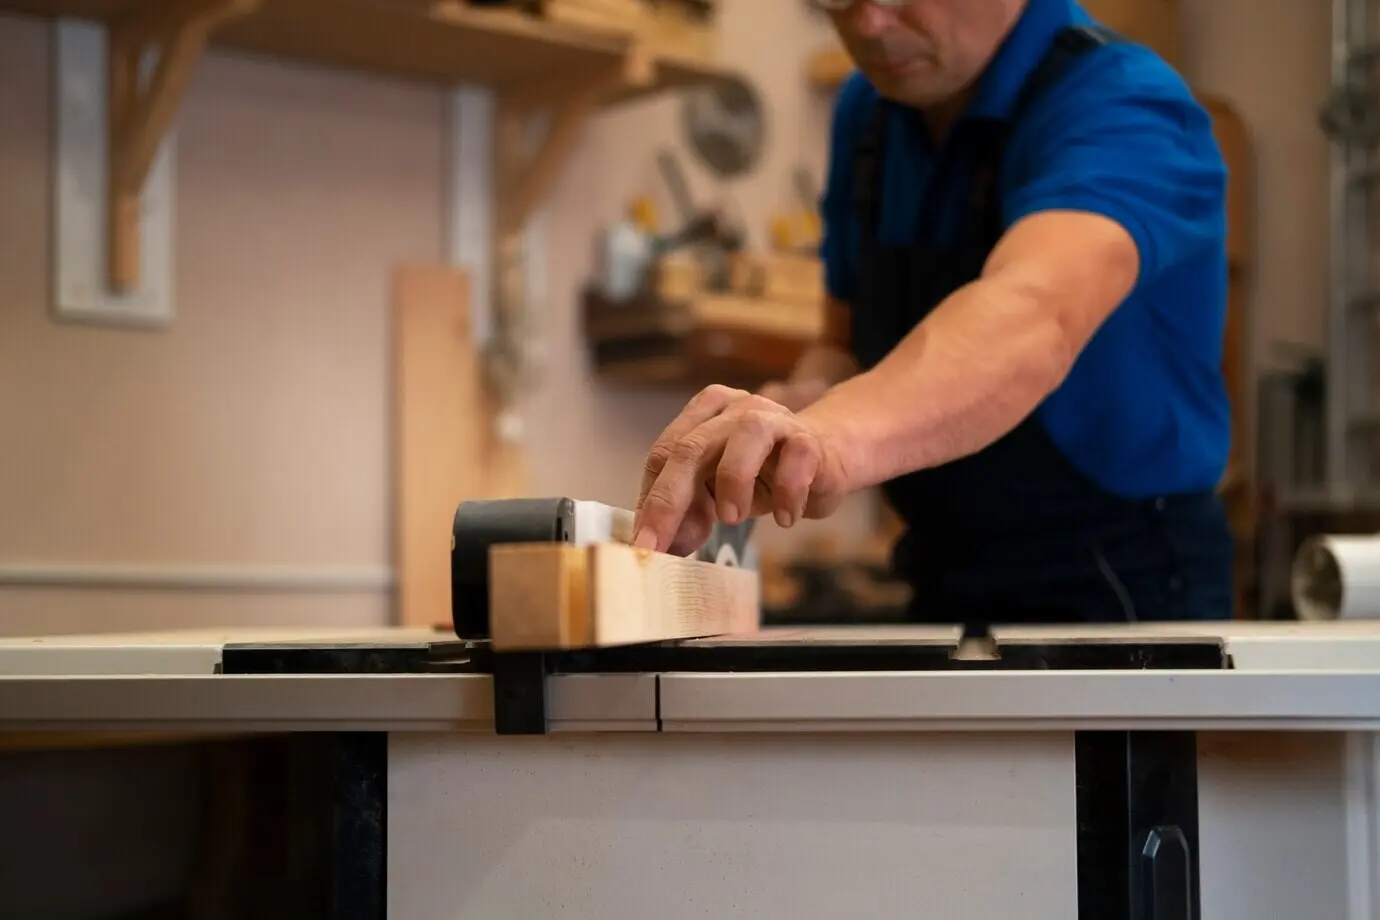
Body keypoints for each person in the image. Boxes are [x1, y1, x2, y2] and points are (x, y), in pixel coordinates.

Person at [630, 0, 1236, 624]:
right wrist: (791, 413)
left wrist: (833, 437)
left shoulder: (1125, 105)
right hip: (944, 568)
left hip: (1121, 583)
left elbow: (1032, 318)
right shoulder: (869, 112)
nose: (868, 25)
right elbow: (845, 347)